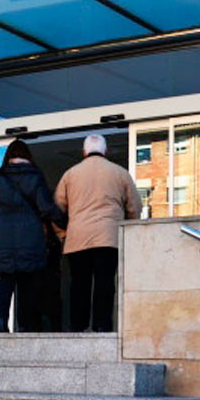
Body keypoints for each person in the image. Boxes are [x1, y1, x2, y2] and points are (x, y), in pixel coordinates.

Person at [54, 135, 140, 333]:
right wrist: (128, 229)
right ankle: (102, 326)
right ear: (106, 151)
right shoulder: (120, 173)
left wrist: (63, 234)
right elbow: (134, 206)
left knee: (79, 284)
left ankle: (78, 326)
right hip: (108, 238)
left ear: (84, 152)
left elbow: (56, 209)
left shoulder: (70, 174)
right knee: (105, 282)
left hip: (77, 239)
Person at [0, 140, 67, 333]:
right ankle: (24, 326)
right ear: (28, 156)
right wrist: (65, 222)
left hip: (1, 237)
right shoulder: (35, 178)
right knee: (26, 286)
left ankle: (2, 324)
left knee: (5, 283)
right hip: (30, 237)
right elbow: (46, 208)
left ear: (8, 157)